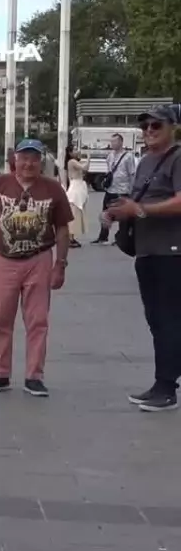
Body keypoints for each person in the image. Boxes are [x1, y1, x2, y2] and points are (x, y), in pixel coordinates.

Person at [0, 140, 72, 397]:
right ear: (15, 159)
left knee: (38, 320)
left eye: (34, 159)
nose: (29, 164)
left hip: (39, 260)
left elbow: (62, 228)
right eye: (24, 158)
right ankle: (0, 373)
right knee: (1, 319)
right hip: (3, 260)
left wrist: (60, 263)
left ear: (41, 162)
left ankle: (34, 376)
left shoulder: (53, 189)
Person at [105, 104, 181, 412]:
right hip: (147, 249)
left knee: (167, 319)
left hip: (172, 251)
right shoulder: (146, 161)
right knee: (157, 320)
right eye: (145, 127)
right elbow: (138, 200)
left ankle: (165, 388)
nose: (149, 131)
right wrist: (115, 212)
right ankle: (164, 381)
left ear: (172, 127)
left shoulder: (177, 158)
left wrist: (140, 211)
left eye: (156, 126)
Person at [93, 133, 135, 245]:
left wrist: (132, 191)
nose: (112, 144)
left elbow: (132, 174)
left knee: (123, 216)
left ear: (121, 142)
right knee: (105, 213)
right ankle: (103, 237)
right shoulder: (110, 155)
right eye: (111, 142)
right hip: (111, 189)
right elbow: (109, 170)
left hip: (123, 190)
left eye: (115, 141)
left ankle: (121, 238)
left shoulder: (128, 156)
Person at [64, 145, 89, 247]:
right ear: (70, 152)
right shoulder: (72, 162)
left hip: (78, 187)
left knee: (76, 215)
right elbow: (84, 168)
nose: (77, 151)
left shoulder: (75, 161)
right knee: (74, 215)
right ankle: (70, 238)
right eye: (74, 149)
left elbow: (85, 169)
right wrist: (89, 158)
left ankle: (72, 237)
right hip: (75, 189)